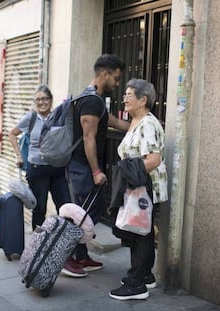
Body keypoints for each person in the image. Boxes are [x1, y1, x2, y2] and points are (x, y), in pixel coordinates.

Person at [62, 54, 130, 277]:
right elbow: (88, 138)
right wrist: (96, 171)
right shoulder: (91, 100)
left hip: (83, 167)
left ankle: (81, 257)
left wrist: (141, 124)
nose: (117, 84)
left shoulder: (94, 100)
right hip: (83, 167)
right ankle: (67, 259)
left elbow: (115, 122)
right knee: (81, 216)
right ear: (104, 74)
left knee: (87, 213)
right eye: (116, 79)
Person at [108, 79, 168, 300]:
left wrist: (127, 171)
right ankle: (145, 276)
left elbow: (153, 159)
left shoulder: (148, 124)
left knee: (141, 233)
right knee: (143, 230)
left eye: (129, 94)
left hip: (144, 186)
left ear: (143, 100)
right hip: (137, 186)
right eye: (124, 94)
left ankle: (136, 285)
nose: (124, 98)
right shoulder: (137, 121)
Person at [8, 85, 71, 230]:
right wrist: (19, 156)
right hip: (37, 169)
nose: (42, 102)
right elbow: (12, 134)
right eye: (38, 100)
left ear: (51, 100)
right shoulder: (30, 118)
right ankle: (37, 248)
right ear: (34, 102)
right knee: (39, 209)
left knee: (65, 207)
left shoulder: (58, 117)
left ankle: (64, 246)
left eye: (45, 99)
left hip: (58, 169)